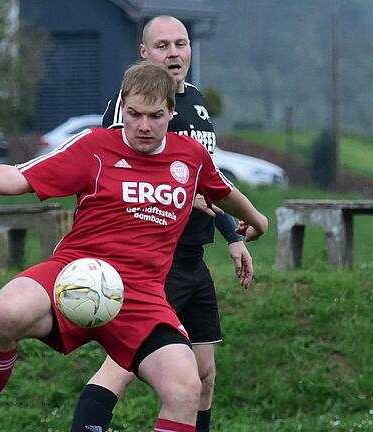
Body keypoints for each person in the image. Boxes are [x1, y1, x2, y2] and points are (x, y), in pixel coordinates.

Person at [0, 61, 268, 432]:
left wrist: (258, 221)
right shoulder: (94, 146)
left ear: (171, 113)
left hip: (142, 294)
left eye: (155, 116)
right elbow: (19, 177)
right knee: (4, 312)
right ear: (122, 109)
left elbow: (224, 192)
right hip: (72, 271)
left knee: (186, 386)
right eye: (134, 114)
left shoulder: (190, 156)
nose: (144, 125)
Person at [70, 16, 250, 432]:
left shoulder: (197, 102)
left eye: (181, 44)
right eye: (163, 45)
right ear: (144, 53)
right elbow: (119, 179)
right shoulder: (130, 108)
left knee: (204, 375)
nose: (174, 54)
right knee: (121, 368)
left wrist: (230, 236)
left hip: (193, 259)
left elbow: (209, 181)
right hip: (153, 262)